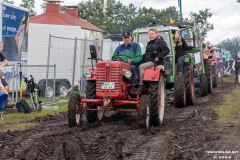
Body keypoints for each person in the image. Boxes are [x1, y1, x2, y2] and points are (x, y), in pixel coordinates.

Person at [136, 27, 170, 94]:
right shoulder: (149, 43)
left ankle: (141, 85)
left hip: (155, 62)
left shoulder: (160, 42)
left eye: (152, 34)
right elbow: (147, 53)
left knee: (141, 67)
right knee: (134, 65)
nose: (150, 35)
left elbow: (167, 50)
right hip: (147, 60)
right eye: (149, 34)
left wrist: (159, 56)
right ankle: (134, 83)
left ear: (156, 34)